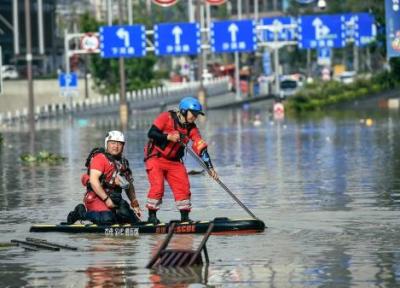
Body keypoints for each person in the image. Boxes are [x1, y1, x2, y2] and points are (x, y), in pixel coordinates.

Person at [144, 96, 218, 224]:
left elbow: (200, 146)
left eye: (197, 115)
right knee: (158, 186)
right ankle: (152, 216)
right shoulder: (166, 117)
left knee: (183, 186)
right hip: (156, 158)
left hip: (174, 161)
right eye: (193, 114)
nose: (195, 117)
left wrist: (210, 168)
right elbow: (151, 133)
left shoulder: (192, 128)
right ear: (183, 111)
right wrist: (168, 137)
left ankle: (184, 219)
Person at [67, 130, 142, 225]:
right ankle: (80, 213)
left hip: (115, 198)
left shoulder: (124, 163)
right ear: (107, 144)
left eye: (119, 143)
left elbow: (129, 185)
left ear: (123, 145)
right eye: (113, 143)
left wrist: (135, 204)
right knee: (107, 220)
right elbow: (94, 181)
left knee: (130, 219)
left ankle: (116, 216)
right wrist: (106, 199)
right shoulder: (100, 158)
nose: (116, 146)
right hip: (96, 197)